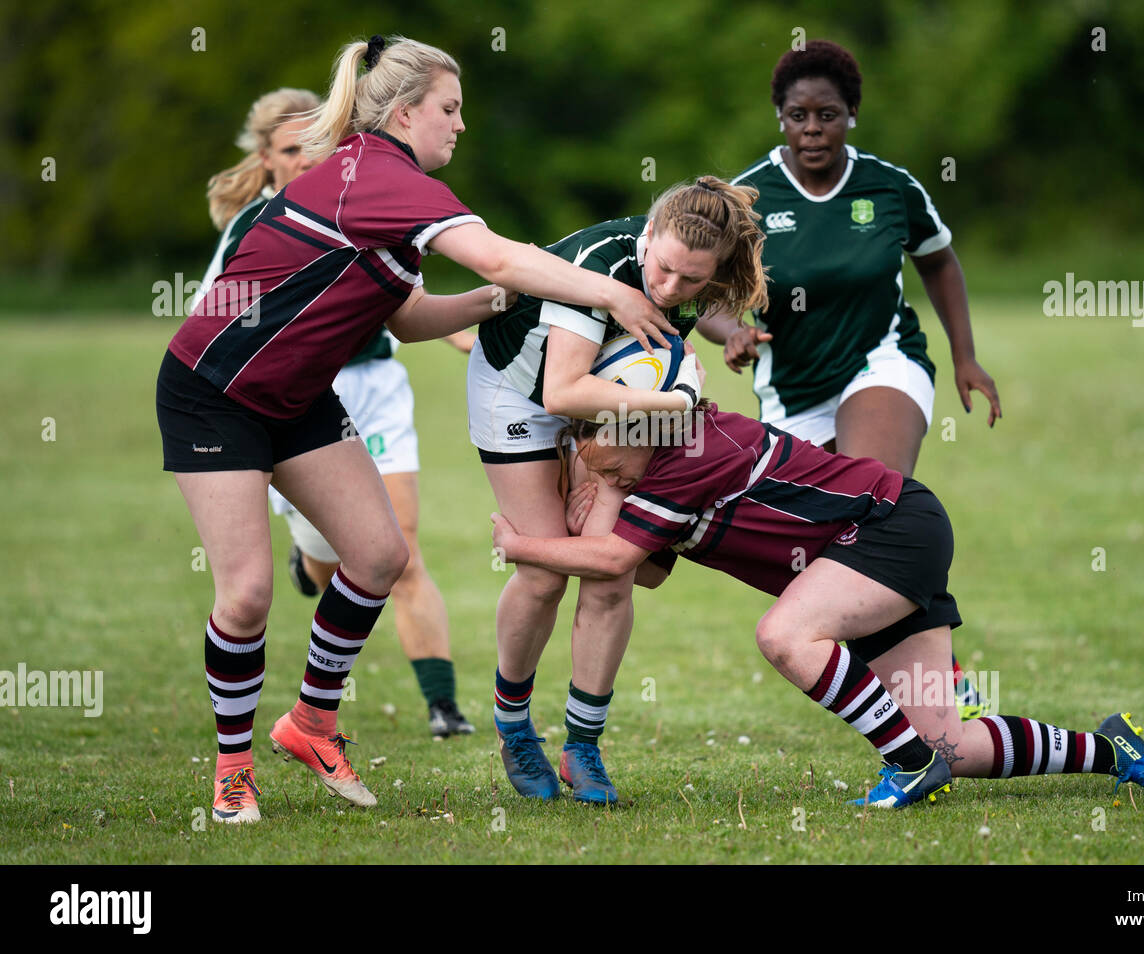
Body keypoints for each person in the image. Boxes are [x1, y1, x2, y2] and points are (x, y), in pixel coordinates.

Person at [159, 34, 677, 825]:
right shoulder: (377, 175)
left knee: (377, 556)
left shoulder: (381, 180)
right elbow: (500, 258)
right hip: (212, 394)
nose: (460, 125)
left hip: (295, 399)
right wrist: (610, 292)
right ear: (405, 114)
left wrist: (492, 307)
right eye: (450, 109)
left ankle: (312, 724)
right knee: (250, 592)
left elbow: (406, 311)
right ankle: (232, 772)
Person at [490, 407, 1144, 808]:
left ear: (629, 419)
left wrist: (523, 545)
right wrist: (599, 503)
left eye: (604, 465)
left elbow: (613, 563)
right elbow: (646, 576)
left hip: (889, 531)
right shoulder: (649, 476)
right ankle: (1110, 749)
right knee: (955, 744)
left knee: (786, 635)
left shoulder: (692, 447)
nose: (607, 481)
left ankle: (908, 766)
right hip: (864, 555)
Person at [695, 40, 1002, 718]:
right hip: (792, 390)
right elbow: (703, 294)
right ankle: (910, 664)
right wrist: (733, 334)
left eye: (827, 114)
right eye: (798, 115)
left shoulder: (890, 187)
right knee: (832, 546)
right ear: (780, 117)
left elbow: (939, 261)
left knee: (876, 497)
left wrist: (964, 355)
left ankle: (943, 674)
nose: (812, 129)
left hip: (881, 359)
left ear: (852, 114)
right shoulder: (746, 199)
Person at [470, 177, 766, 804]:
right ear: (649, 234)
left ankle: (583, 746)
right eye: (662, 271)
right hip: (519, 392)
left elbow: (681, 333)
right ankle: (514, 725)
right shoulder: (599, 263)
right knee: (546, 570)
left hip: (617, 398)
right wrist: (675, 403)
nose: (670, 290)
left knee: (614, 573)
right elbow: (562, 393)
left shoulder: (692, 274)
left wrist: (627, 440)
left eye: (692, 281)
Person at [200, 87, 479, 742]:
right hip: (294, 404)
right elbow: (215, 321)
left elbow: (400, 292)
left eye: (317, 146)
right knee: (338, 557)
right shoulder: (257, 227)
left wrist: (468, 331)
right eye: (292, 151)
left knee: (400, 552)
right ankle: (310, 560)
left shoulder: (359, 203)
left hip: (376, 387)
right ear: (266, 159)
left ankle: (444, 708)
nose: (306, 161)